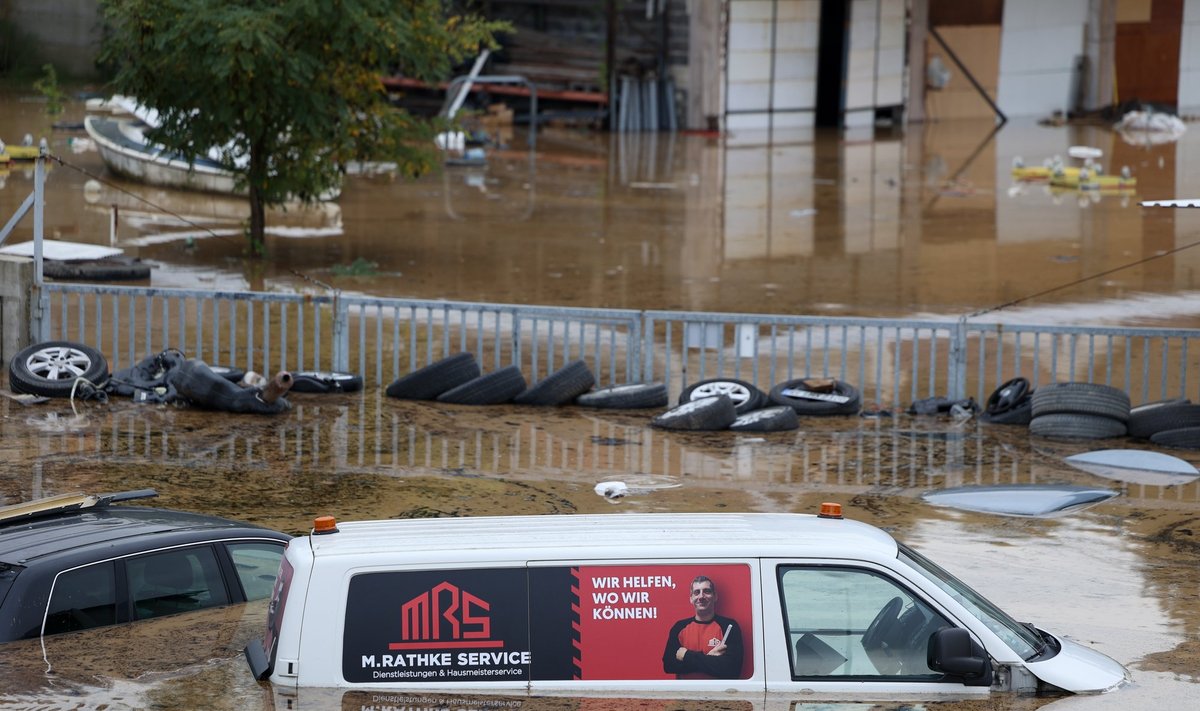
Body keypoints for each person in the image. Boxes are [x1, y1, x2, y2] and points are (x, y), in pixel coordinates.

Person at [661, 575, 744, 679]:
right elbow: (669, 665)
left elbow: (732, 670)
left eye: (707, 591)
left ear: (715, 596)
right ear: (691, 598)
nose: (701, 596)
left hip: (719, 693)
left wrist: (686, 655)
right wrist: (711, 660)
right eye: (697, 592)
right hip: (686, 693)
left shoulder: (729, 626)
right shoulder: (679, 627)